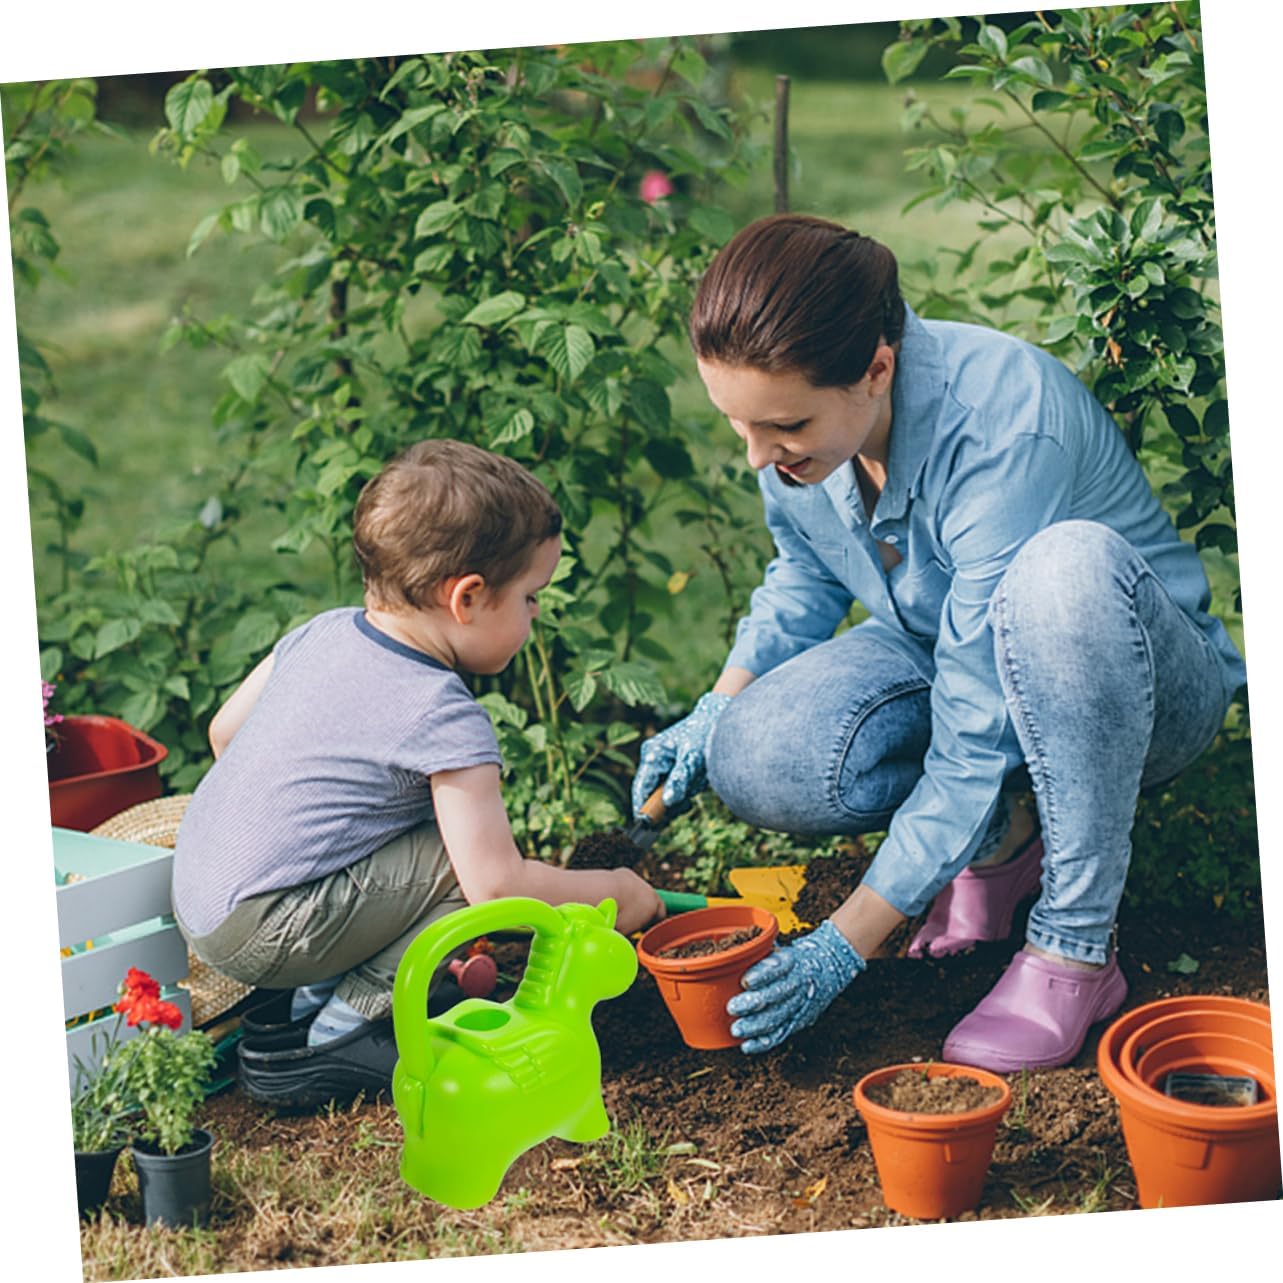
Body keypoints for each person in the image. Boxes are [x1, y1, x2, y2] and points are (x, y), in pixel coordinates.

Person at [631, 213, 1246, 1071]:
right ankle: (999, 842)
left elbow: (972, 728)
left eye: (783, 428)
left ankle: (1072, 944)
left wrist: (844, 941)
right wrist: (716, 706)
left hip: (1133, 685)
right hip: (953, 647)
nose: (756, 457)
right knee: (756, 750)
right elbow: (805, 572)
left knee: (1061, 568)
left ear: (876, 370)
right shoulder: (797, 435)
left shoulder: (1001, 423)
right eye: (740, 426)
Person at [172, 439, 664, 1105]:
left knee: (421, 851)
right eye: (530, 597)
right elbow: (494, 887)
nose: (535, 614)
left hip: (200, 899)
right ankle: (345, 1032)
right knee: (455, 863)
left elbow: (223, 733)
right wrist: (614, 893)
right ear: (468, 597)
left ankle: (305, 1003)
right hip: (267, 929)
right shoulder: (440, 713)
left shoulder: (322, 632)